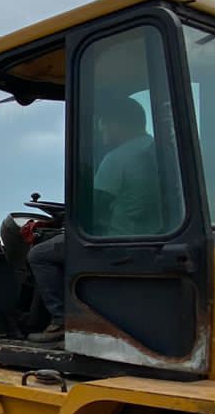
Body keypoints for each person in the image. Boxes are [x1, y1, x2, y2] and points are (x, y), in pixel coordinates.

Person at [27, 97, 158, 344]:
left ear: (118, 124)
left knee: (40, 254)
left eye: (103, 124)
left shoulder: (117, 159)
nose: (101, 130)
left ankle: (62, 320)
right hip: (147, 239)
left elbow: (94, 209)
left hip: (114, 242)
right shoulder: (153, 152)